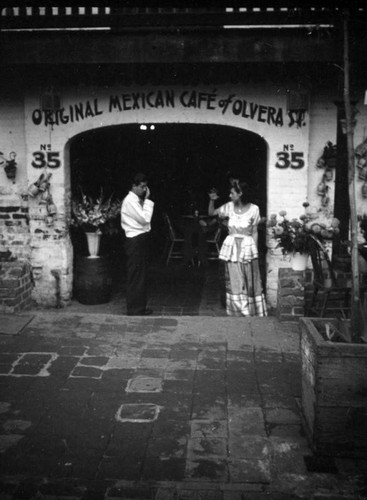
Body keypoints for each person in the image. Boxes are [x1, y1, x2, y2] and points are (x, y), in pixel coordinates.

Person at [208, 180, 267, 317]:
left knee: (250, 280)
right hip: (233, 248)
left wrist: (255, 252)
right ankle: (237, 312)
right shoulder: (229, 206)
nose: (230, 195)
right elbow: (212, 213)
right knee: (235, 280)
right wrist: (211, 200)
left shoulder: (254, 209)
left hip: (247, 247)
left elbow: (254, 231)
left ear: (241, 194)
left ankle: (252, 311)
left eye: (232, 193)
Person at [120, 172, 154, 315]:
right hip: (134, 240)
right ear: (133, 186)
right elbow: (144, 219)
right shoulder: (130, 201)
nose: (144, 190)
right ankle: (135, 309)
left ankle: (139, 307)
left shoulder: (135, 200)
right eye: (141, 187)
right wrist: (147, 201)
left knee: (140, 274)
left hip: (139, 239)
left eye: (145, 187)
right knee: (135, 274)